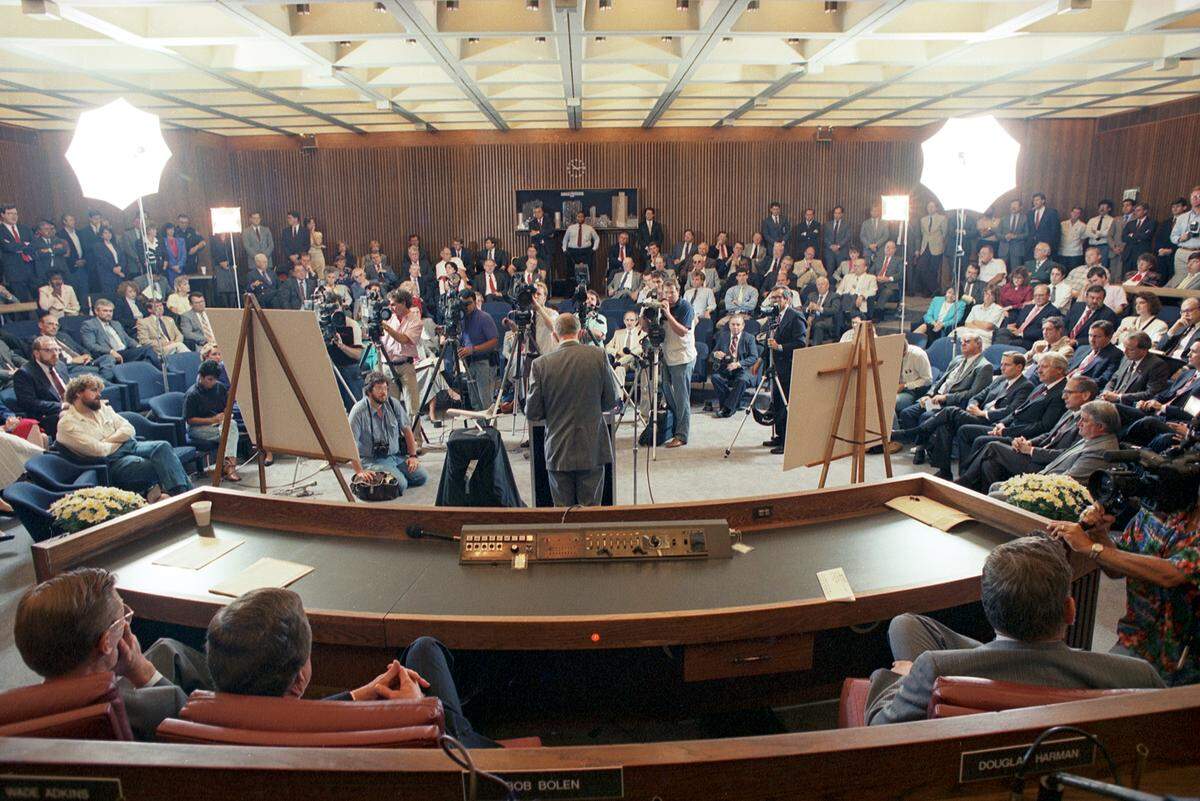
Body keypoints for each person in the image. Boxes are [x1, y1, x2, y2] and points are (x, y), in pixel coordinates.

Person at [864, 536, 1164, 725]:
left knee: (905, 632)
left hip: (959, 708)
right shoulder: (1139, 677)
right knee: (906, 623)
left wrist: (902, 677)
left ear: (988, 609)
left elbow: (877, 725)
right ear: (1070, 611)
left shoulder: (932, 667)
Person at [204, 587, 492, 745]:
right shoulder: (365, 738)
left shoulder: (198, 722)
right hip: (464, 766)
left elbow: (294, 717)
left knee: (423, 648)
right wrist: (419, 713)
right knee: (426, 650)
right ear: (299, 679)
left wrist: (357, 695)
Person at [14, 568, 215, 741]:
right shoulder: (160, 705)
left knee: (167, 649)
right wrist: (142, 670)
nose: (128, 625)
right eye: (123, 618)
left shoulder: (18, 716)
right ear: (107, 642)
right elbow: (200, 727)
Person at [1048, 484, 1200, 685]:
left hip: (1187, 661)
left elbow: (1171, 574)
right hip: (1136, 641)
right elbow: (1116, 569)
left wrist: (1091, 547)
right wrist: (1099, 535)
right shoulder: (1154, 514)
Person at [521, 313, 618, 506]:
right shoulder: (598, 356)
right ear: (580, 332)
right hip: (592, 448)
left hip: (558, 451)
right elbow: (611, 401)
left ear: (555, 336)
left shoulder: (540, 365)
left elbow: (533, 413)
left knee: (564, 518)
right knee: (591, 515)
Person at [896, 352, 1032, 478]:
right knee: (944, 425)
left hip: (993, 422)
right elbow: (979, 395)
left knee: (950, 411)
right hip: (976, 414)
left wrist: (983, 413)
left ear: (1019, 367)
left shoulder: (1025, 386)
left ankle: (914, 432)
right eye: (1001, 364)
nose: (1002, 368)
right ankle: (945, 471)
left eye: (1006, 365)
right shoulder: (1000, 380)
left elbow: (1010, 411)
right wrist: (973, 405)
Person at [56, 375, 192, 500]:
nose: (99, 394)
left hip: (130, 446)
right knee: (156, 464)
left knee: (163, 447)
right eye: (93, 390)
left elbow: (129, 429)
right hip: (111, 463)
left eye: (98, 390)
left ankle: (180, 494)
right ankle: (187, 496)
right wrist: (120, 440)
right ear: (78, 393)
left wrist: (108, 441)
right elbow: (99, 451)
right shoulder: (67, 424)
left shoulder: (102, 408)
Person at [957, 376, 1097, 492]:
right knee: (989, 463)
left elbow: (1066, 455)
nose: (1063, 396)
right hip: (1036, 453)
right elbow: (1049, 435)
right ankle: (986, 502)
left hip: (1046, 466)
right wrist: (1029, 442)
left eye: (1069, 392)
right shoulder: (1070, 412)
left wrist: (1030, 450)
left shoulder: (1088, 422)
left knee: (993, 446)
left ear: (1085, 395)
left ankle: (964, 483)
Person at [987, 400, 1120, 501]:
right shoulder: (1092, 438)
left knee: (995, 494)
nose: (1078, 424)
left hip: (1054, 495)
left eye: (1084, 420)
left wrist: (1030, 485)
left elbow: (1069, 482)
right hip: (1045, 479)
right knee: (994, 485)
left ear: (1100, 426)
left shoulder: (1100, 451)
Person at [348, 372, 427, 493]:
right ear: (369, 391)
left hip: (395, 456)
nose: (383, 392)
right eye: (379, 388)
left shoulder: (392, 404)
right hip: (371, 459)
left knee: (421, 477)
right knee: (401, 485)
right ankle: (385, 475)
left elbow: (407, 430)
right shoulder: (358, 411)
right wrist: (359, 471)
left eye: (385, 388)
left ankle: (390, 474)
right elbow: (350, 443)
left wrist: (413, 456)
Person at [763, 285, 807, 455]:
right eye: (773, 298)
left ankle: (787, 440)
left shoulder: (796, 316)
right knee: (777, 402)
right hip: (775, 366)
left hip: (789, 366)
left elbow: (801, 343)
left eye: (778, 298)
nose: (775, 301)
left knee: (785, 402)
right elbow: (769, 339)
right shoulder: (773, 317)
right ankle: (779, 435)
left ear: (787, 299)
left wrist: (780, 347)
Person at [654, 280, 696, 450]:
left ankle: (682, 435)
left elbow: (681, 331)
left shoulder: (685, 307)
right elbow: (645, 327)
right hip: (666, 355)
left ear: (678, 291)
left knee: (681, 397)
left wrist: (668, 313)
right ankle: (675, 425)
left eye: (672, 292)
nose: (669, 296)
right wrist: (647, 313)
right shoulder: (659, 306)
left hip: (682, 357)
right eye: (666, 292)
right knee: (666, 391)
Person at [184, 359, 241, 482]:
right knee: (231, 431)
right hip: (197, 428)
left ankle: (228, 464)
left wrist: (226, 413)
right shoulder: (192, 394)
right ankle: (230, 467)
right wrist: (212, 420)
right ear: (201, 377)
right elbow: (190, 420)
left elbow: (226, 405)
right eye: (210, 379)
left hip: (217, 423)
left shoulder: (219, 387)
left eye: (215, 379)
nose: (213, 382)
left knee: (231, 426)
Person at [378, 288, 426, 422]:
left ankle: (415, 440)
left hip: (405, 365)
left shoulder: (415, 321)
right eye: (390, 304)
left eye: (393, 304)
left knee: (412, 406)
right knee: (390, 406)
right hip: (388, 365)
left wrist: (386, 328)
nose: (390, 307)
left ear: (403, 303)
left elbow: (404, 339)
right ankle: (396, 439)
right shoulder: (388, 318)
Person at [13, 336, 71, 437]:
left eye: (57, 350)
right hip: (47, 416)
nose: (55, 354)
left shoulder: (60, 365)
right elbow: (29, 403)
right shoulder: (24, 373)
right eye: (48, 350)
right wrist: (62, 406)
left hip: (70, 407)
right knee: (71, 417)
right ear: (36, 353)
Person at [454, 289, 499, 411]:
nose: (465, 307)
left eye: (468, 303)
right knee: (474, 401)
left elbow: (494, 341)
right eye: (463, 304)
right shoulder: (462, 320)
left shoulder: (484, 317)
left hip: (484, 362)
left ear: (474, 302)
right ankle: (480, 428)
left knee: (485, 400)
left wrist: (472, 349)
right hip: (470, 362)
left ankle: (489, 429)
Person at [709, 314, 758, 418]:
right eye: (733, 324)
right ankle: (733, 404)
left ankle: (727, 409)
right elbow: (712, 355)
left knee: (742, 380)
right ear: (729, 325)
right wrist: (716, 354)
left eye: (738, 325)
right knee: (715, 377)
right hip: (726, 368)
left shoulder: (749, 338)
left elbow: (754, 357)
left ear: (743, 326)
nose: (735, 327)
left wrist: (738, 364)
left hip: (742, 369)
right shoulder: (723, 336)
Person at [994, 283, 1057, 349]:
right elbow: (1018, 322)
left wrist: (1021, 334)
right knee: (1001, 332)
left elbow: (1044, 331)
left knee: (1007, 342)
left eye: (1041, 295)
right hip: (1016, 334)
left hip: (1030, 340)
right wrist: (1012, 326)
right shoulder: (1027, 307)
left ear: (1048, 296)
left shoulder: (1053, 311)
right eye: (1035, 295)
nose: (1038, 298)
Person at [0, 204, 36, 301]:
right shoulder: (1, 230)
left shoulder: (25, 229)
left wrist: (18, 247)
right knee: (21, 303)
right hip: (14, 273)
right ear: (2, 215)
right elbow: (7, 247)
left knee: (39, 301)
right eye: (9, 213)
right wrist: (25, 245)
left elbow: (33, 246)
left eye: (15, 213)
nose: (14, 216)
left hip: (31, 270)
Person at [606, 310, 645, 394]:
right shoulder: (618, 333)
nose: (629, 322)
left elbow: (641, 349)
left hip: (634, 362)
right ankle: (619, 400)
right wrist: (618, 352)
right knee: (619, 370)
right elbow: (607, 348)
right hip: (621, 363)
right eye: (627, 320)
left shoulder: (641, 334)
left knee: (636, 351)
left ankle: (619, 363)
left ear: (636, 321)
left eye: (632, 320)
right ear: (624, 321)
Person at [914, 200, 947, 297]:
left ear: (936, 208)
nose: (930, 208)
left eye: (932, 206)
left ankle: (928, 291)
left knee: (933, 269)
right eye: (928, 206)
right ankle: (936, 289)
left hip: (937, 246)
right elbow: (922, 233)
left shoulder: (942, 218)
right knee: (921, 268)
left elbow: (944, 233)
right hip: (925, 246)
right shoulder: (923, 219)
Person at [1170, 186, 1200, 281]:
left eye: (1198, 196)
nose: (1195, 198)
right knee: (1179, 281)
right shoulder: (1182, 217)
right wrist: (1180, 239)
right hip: (1182, 252)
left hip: (1197, 253)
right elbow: (1173, 236)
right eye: (1193, 196)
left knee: (1194, 283)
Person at [804, 274, 840, 346]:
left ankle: (815, 349)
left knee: (818, 325)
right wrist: (808, 309)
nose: (820, 287)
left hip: (826, 321)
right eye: (818, 284)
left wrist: (818, 308)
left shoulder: (834, 296)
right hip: (812, 320)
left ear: (827, 286)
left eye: (822, 284)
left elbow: (834, 310)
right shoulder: (812, 295)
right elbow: (803, 308)